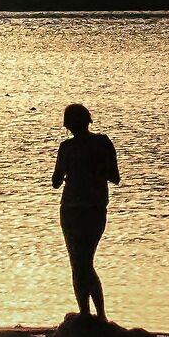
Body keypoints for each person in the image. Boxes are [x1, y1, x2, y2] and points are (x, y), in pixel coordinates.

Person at [51, 103, 119, 319]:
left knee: (80, 263)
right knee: (83, 262)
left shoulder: (67, 148)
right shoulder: (102, 143)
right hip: (93, 209)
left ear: (68, 125)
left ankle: (92, 315)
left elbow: (55, 182)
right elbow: (115, 176)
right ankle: (93, 315)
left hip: (75, 210)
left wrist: (76, 171)